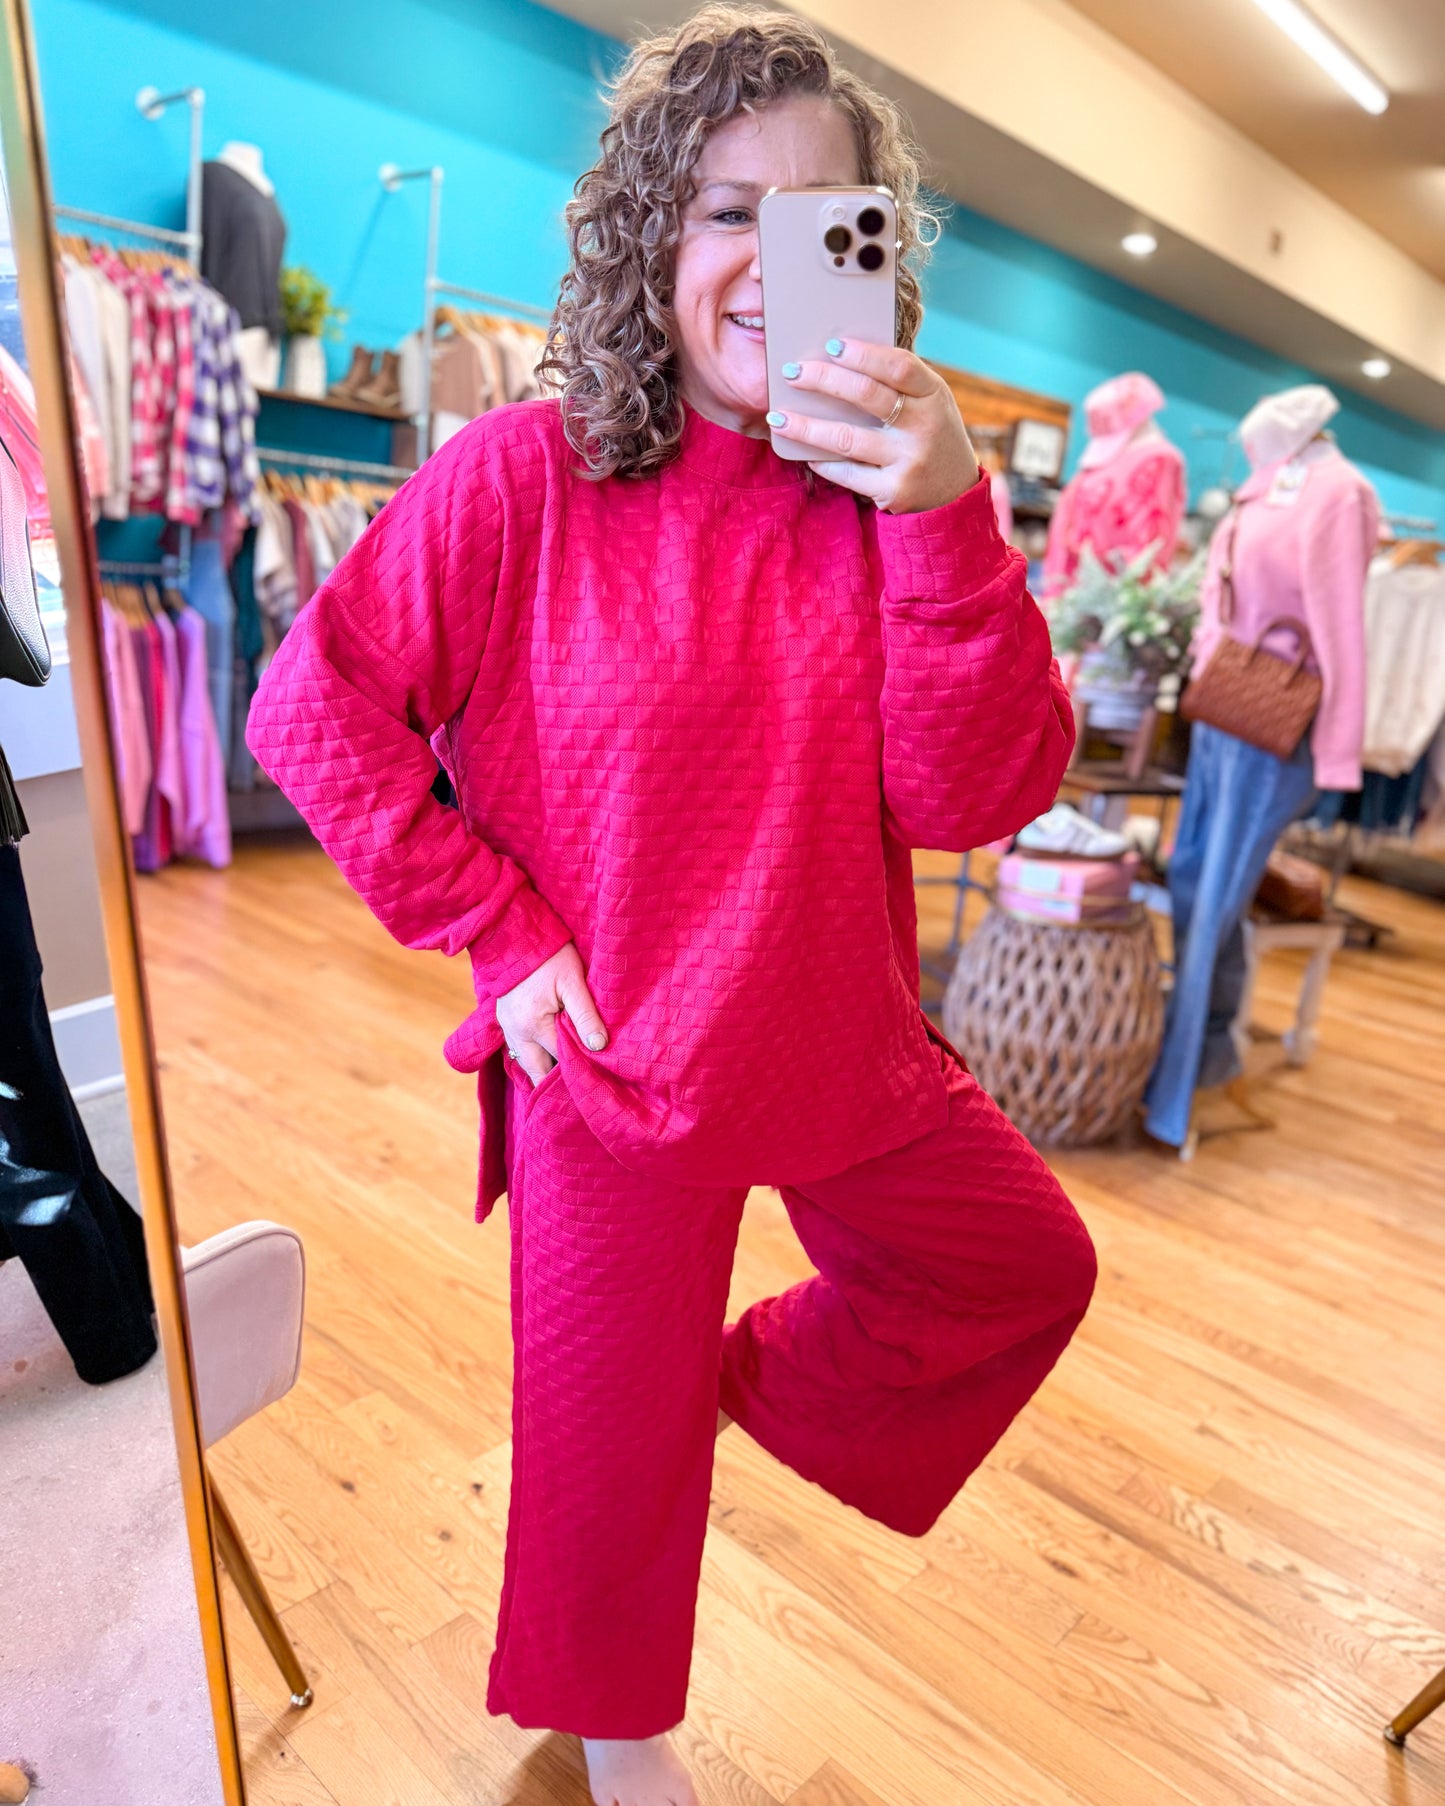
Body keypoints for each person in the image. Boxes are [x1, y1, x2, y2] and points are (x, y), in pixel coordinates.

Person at [246, 9, 1096, 1803]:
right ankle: (620, 1736)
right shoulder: (522, 477)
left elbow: (975, 794)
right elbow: (311, 710)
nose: (772, 263)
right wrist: (494, 926)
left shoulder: (893, 502)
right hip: (614, 1065)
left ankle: (697, 1393)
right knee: (598, 1463)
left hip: (841, 1039)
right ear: (651, 235)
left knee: (1020, 1266)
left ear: (877, 258)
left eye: (822, 222)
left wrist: (947, 514)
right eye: (727, 213)